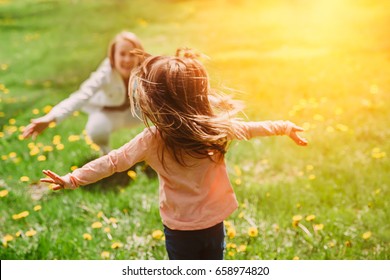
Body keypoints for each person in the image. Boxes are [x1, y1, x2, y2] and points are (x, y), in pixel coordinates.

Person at [40, 48, 308, 260]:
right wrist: (284, 127)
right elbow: (250, 129)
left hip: (181, 230)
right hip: (214, 222)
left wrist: (73, 178)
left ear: (158, 101)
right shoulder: (212, 127)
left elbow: (113, 162)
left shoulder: (153, 138)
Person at [22, 31, 145, 154]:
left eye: (132, 54)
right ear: (113, 56)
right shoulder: (105, 73)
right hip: (108, 114)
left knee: (158, 106)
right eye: (122, 54)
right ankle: (107, 155)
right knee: (97, 129)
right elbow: (81, 96)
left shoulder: (145, 70)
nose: (127, 59)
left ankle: (158, 146)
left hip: (134, 114)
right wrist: (50, 118)